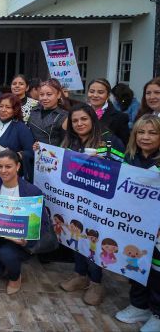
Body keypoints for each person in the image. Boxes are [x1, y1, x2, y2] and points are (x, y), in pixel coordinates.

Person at [58, 103, 125, 306]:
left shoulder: (110, 141)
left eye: (84, 119)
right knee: (76, 234)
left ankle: (96, 282)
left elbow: (124, 170)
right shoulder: (71, 141)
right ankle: (80, 275)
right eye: (75, 120)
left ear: (93, 120)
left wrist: (102, 161)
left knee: (94, 240)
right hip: (76, 200)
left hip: (100, 203)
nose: (79, 124)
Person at [115, 114, 160, 331]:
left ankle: (158, 313)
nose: (145, 137)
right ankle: (139, 305)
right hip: (134, 225)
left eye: (152, 133)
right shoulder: (129, 158)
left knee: (157, 271)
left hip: (157, 229)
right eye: (141, 132)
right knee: (135, 264)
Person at [0, 150, 44, 294]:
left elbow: (42, 225)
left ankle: (15, 277)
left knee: (7, 253)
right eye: (0, 166)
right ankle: (5, 264)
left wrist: (26, 242)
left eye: (8, 166)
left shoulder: (32, 192)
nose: (3, 171)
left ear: (18, 166)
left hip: (19, 242)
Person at [0, 94, 35, 184]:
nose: (3, 110)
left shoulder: (21, 128)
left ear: (15, 110)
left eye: (8, 107)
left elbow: (30, 152)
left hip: (8, 178)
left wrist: (15, 155)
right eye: (1, 106)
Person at [86, 78, 130, 144]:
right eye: (91, 91)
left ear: (108, 95)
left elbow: (123, 145)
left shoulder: (120, 117)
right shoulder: (79, 112)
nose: (95, 95)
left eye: (100, 92)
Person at [28, 79, 68, 146]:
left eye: (49, 94)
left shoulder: (64, 116)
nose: (44, 98)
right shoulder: (33, 110)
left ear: (58, 95)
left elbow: (65, 142)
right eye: (41, 94)